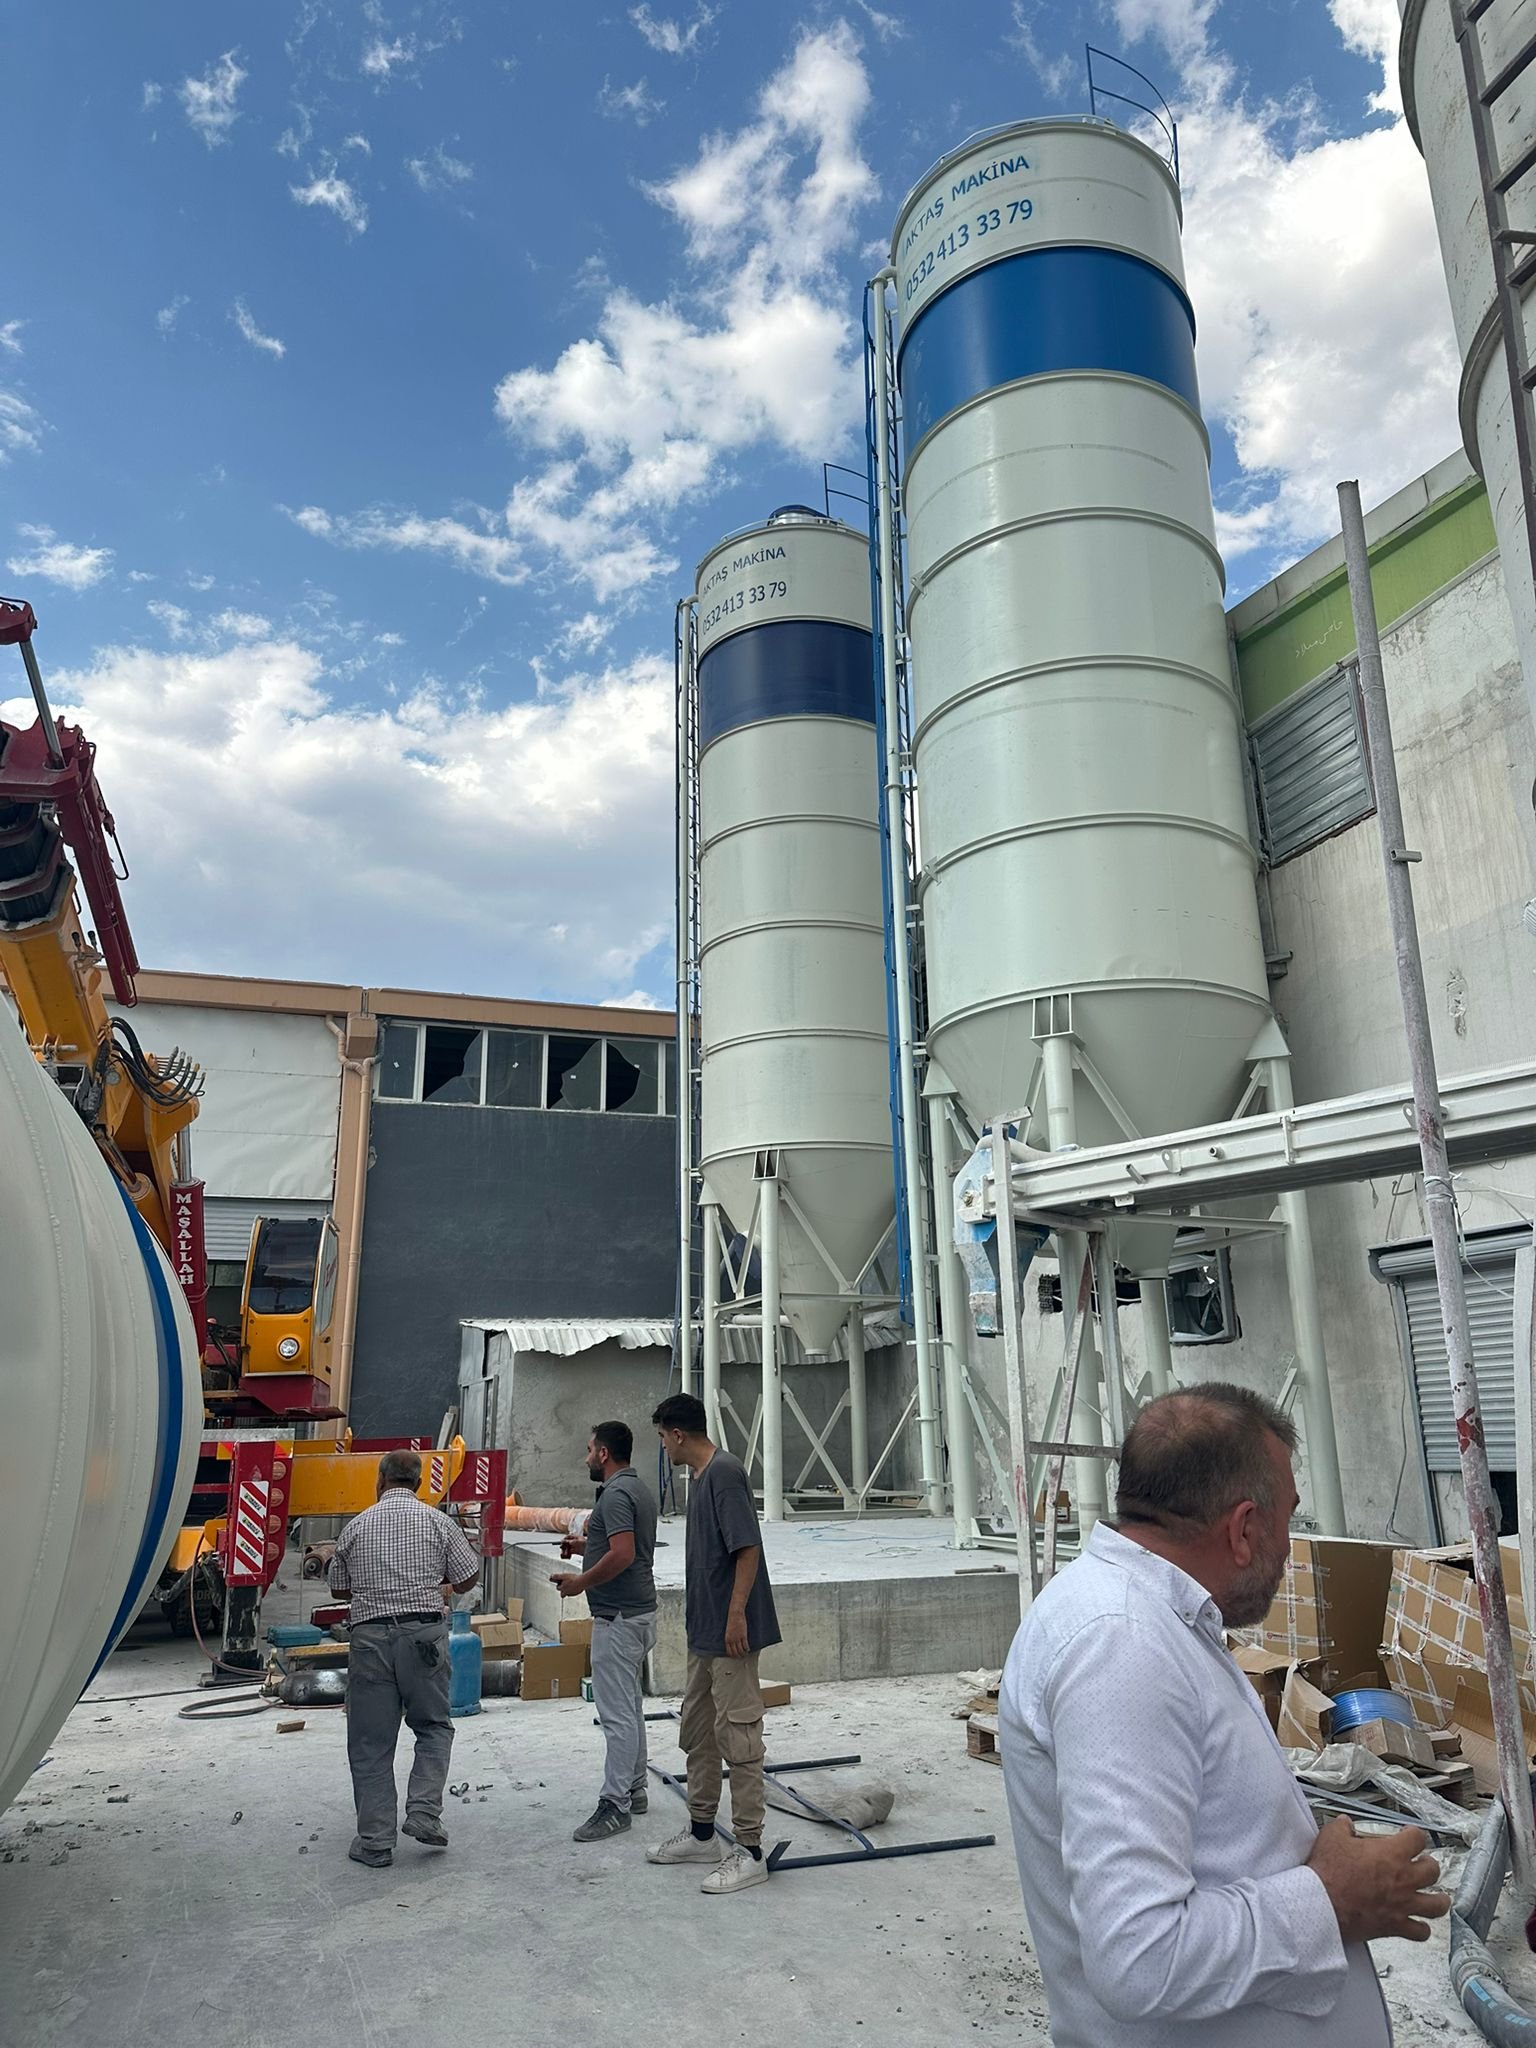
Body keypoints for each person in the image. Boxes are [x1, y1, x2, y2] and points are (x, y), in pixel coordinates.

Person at [999, 1383, 1448, 2045]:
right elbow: (1140, 1960)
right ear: (1243, 1529)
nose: (1288, 1547)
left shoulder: (1150, 1620)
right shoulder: (1122, 1646)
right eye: (1287, 1520)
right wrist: (1327, 1899)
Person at [646, 1391, 780, 1896]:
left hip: (730, 1635)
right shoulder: (700, 1478)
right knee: (699, 1731)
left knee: (739, 1738)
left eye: (663, 1437)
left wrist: (736, 1614)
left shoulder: (723, 1473)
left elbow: (747, 1550)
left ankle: (750, 1850)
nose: (663, 1447)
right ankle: (702, 1833)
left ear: (678, 1434)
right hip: (705, 1634)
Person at [327, 1448, 481, 1869]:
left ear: (380, 1481)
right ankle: (424, 1812)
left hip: (370, 1640)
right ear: (419, 1483)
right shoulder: (438, 1522)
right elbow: (468, 1576)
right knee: (433, 1727)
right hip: (424, 1637)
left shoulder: (356, 1526)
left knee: (371, 1743)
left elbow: (338, 1587)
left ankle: (376, 1842)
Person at [551, 1420, 659, 1842]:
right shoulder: (637, 1489)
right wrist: (585, 1547)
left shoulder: (614, 1494)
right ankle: (635, 1788)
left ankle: (615, 1805)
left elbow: (624, 1553)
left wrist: (581, 1581)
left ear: (604, 1453)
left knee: (616, 1715)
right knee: (629, 1707)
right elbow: (623, 1545)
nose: (586, 1458)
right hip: (636, 1614)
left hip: (618, 1618)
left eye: (589, 1449)